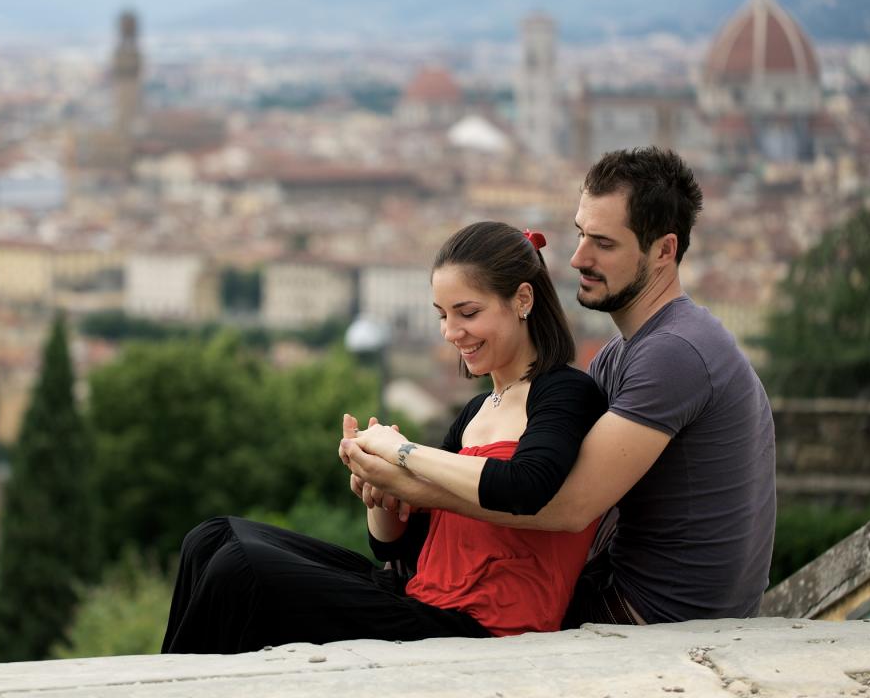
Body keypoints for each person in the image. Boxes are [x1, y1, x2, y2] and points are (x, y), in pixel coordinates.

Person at [345, 146, 776, 627]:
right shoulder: (625, 354)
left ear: (663, 251)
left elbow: (566, 507)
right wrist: (393, 491)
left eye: (604, 244)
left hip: (652, 615)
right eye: (580, 235)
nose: (576, 258)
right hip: (641, 596)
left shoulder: (675, 351)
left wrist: (412, 476)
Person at [161, 222, 606, 654]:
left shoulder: (564, 391)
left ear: (522, 299)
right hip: (422, 595)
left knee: (242, 571)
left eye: (468, 313)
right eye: (443, 315)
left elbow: (527, 485)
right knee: (212, 537)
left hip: (484, 626)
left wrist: (405, 453)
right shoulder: (475, 410)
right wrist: (381, 487)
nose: (451, 332)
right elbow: (397, 546)